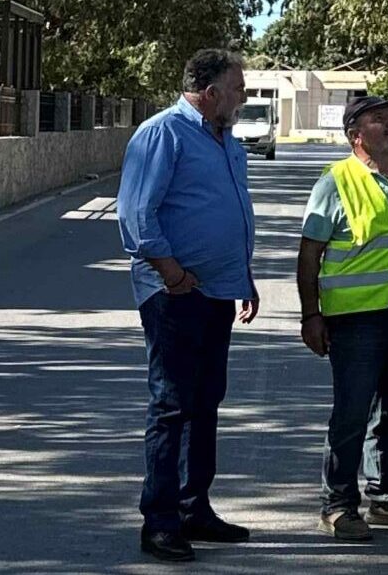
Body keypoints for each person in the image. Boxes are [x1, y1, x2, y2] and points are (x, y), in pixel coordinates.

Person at [117, 49, 260, 563]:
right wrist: (171, 271)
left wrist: (243, 279)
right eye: (238, 87)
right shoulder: (164, 133)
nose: (243, 96)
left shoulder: (226, 142)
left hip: (219, 291)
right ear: (210, 90)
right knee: (172, 403)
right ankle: (159, 520)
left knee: (205, 402)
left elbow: (231, 215)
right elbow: (136, 213)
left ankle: (193, 506)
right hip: (174, 294)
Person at [297, 94, 388, 540]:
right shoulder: (335, 180)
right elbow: (309, 253)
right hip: (355, 317)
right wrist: (310, 315)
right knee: (352, 413)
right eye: (379, 119)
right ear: (356, 136)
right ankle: (337, 504)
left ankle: (387, 497)